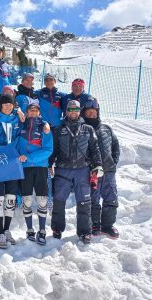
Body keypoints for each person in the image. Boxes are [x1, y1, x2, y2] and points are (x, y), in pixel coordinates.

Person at [49, 100, 103, 244]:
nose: (73, 112)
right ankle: (57, 228)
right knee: (59, 200)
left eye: (76, 110)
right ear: (66, 111)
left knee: (84, 202)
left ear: (79, 112)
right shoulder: (58, 129)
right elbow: (53, 150)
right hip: (63, 169)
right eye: (70, 109)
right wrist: (49, 163)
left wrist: (97, 166)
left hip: (82, 170)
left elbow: (95, 150)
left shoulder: (88, 129)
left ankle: (85, 232)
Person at [82, 101, 120, 238]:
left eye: (94, 112)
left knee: (111, 198)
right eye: (89, 112)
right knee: (93, 199)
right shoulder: (82, 129)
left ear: (98, 113)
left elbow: (115, 146)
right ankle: (94, 225)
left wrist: (113, 163)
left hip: (109, 171)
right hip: (92, 171)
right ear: (84, 113)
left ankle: (108, 226)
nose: (92, 114)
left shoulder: (106, 128)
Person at [0, 94, 23, 249]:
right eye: (5, 104)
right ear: (1, 106)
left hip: (13, 163)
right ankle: (1, 232)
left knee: (11, 197)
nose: (8, 106)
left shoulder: (17, 120)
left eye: (10, 104)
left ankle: (7, 230)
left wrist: (21, 113)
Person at [16, 103, 53, 245]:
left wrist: (29, 158)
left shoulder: (44, 128)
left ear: (39, 112)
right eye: (30, 111)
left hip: (40, 167)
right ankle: (30, 229)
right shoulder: (21, 126)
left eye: (35, 111)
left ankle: (42, 230)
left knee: (42, 200)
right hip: (24, 168)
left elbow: (48, 149)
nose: (33, 113)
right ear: (27, 112)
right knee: (27, 200)